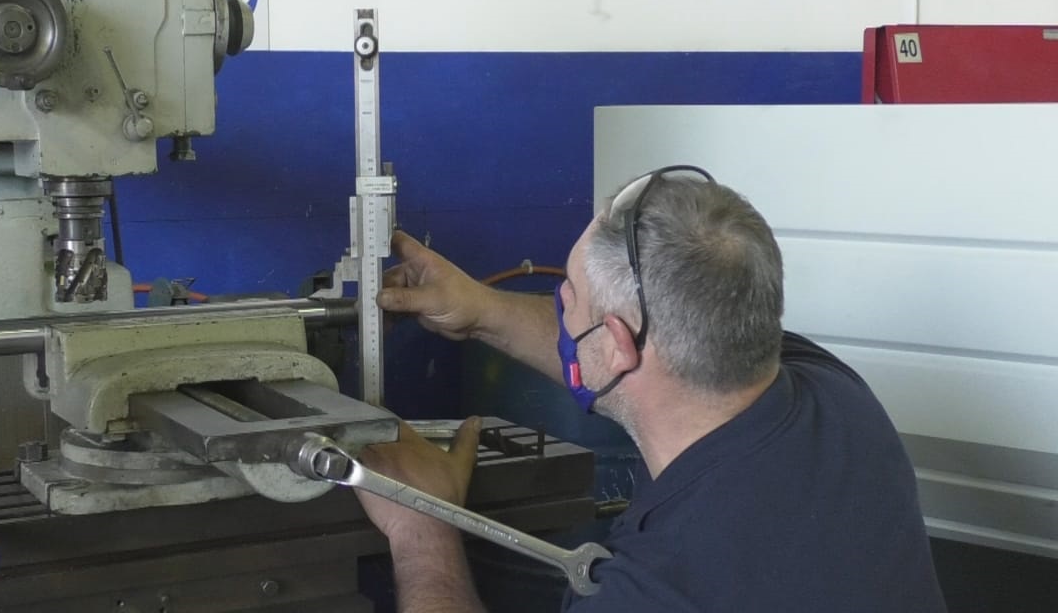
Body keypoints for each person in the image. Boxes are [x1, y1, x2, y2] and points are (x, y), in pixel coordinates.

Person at [357, 165, 947, 613]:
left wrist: (423, 528)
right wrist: (482, 310)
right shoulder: (835, 392)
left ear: (617, 343)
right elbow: (645, 344)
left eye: (569, 300)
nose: (561, 315)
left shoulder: (659, 586)